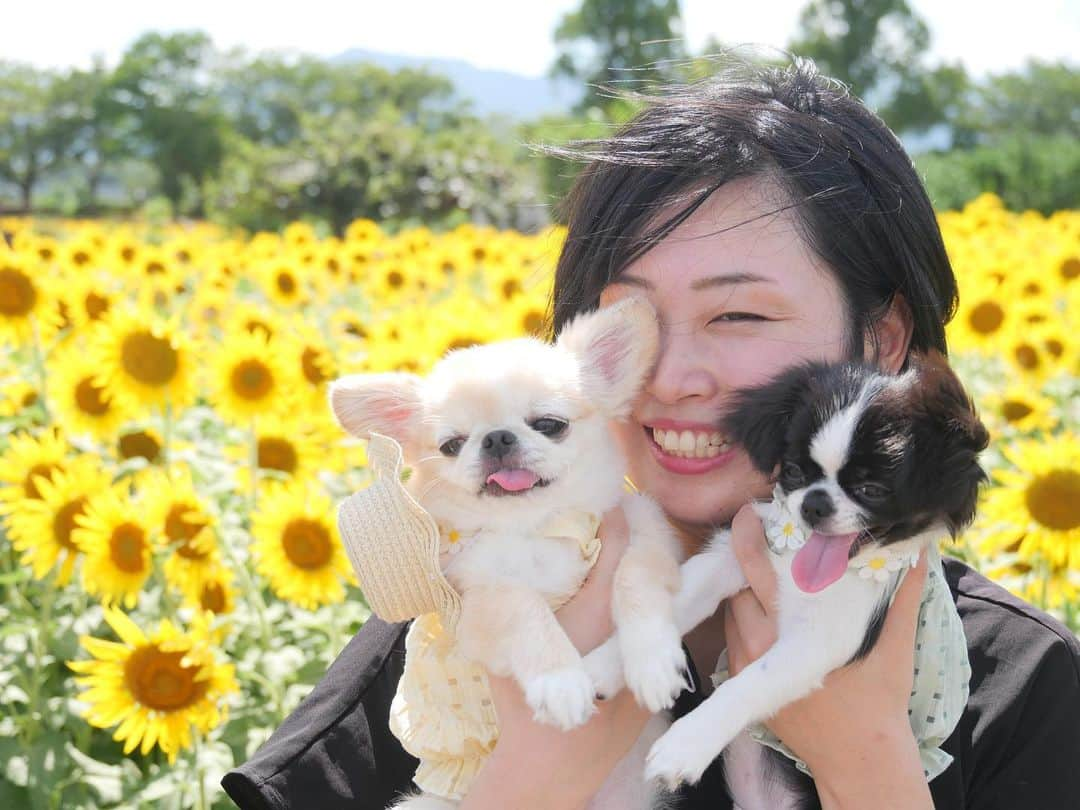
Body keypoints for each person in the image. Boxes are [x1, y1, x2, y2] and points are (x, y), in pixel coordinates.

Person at [222, 57, 1080, 810]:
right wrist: (532, 781)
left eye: (737, 313)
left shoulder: (1020, 687)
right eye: (629, 324)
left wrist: (868, 766)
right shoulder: (443, 645)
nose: (670, 377)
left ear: (883, 341)